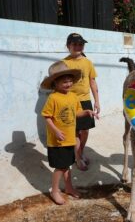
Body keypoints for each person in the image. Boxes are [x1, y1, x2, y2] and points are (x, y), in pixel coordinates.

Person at [41, 61, 99, 205]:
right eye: (64, 81)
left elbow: (76, 113)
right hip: (57, 140)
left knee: (67, 164)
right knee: (60, 167)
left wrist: (86, 112)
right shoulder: (53, 98)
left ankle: (68, 187)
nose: (68, 84)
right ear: (55, 83)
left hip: (70, 138)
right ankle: (54, 191)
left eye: (70, 81)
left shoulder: (73, 96)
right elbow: (47, 117)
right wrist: (55, 131)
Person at [62, 33, 100, 171]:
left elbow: (92, 82)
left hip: (85, 101)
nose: (78, 47)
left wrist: (97, 101)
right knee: (75, 131)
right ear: (68, 46)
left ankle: (80, 151)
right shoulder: (64, 63)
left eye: (80, 44)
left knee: (85, 130)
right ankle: (77, 158)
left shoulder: (88, 62)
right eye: (75, 44)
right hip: (70, 102)